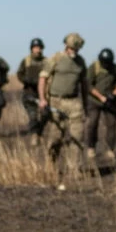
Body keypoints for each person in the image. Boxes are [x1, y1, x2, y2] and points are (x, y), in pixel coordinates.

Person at [38, 32, 89, 190]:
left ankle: (74, 169)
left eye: (77, 48)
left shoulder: (81, 62)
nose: (74, 50)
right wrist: (42, 99)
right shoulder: (55, 59)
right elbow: (43, 79)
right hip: (56, 101)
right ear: (66, 46)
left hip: (74, 102)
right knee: (55, 136)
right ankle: (50, 166)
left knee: (77, 136)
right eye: (72, 47)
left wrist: (85, 105)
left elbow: (84, 85)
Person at [85, 47, 116, 160]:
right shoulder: (94, 67)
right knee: (92, 124)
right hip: (94, 101)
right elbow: (88, 85)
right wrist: (101, 97)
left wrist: (113, 94)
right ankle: (91, 148)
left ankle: (110, 149)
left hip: (110, 102)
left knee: (112, 124)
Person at [16, 37, 48, 143]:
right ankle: (34, 135)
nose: (37, 50)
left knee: (45, 114)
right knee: (33, 115)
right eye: (35, 47)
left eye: (39, 47)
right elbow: (19, 73)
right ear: (31, 49)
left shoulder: (46, 61)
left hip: (43, 92)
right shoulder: (26, 61)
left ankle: (39, 132)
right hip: (29, 92)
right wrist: (26, 80)